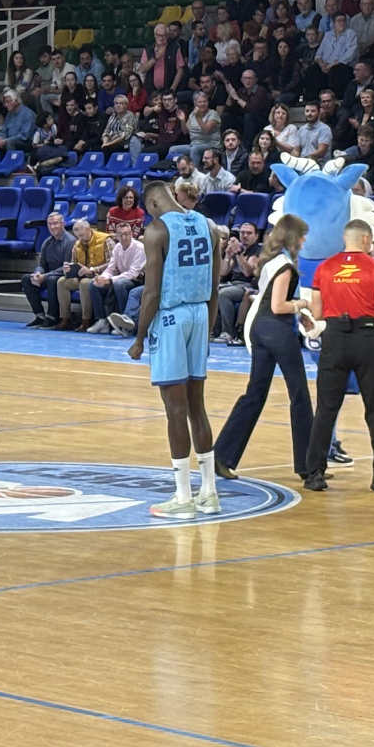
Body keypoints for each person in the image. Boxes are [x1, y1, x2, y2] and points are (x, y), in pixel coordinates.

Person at [125, 182, 224, 518]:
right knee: (198, 407)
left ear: (153, 204)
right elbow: (215, 287)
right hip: (200, 314)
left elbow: (151, 292)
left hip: (171, 318)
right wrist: (207, 333)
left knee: (175, 410)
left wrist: (139, 337)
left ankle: (183, 497)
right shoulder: (209, 225)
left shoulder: (157, 230)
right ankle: (209, 493)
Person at [303, 220, 374, 493]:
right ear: (366, 239)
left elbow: (317, 312)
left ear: (345, 239)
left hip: (334, 339)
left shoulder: (324, 268)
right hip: (367, 339)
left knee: (326, 408)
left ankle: (314, 474)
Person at [212, 214, 314, 483]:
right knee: (300, 396)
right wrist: (303, 305)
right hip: (278, 331)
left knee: (255, 394)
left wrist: (297, 312)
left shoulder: (271, 261)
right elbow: (279, 305)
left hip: (259, 328)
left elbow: (268, 299)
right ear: (293, 237)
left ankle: (221, 455)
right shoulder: (286, 266)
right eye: (302, 236)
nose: (304, 241)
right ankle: (309, 466)